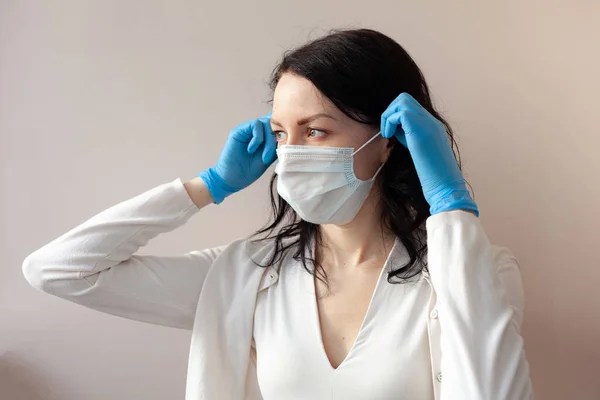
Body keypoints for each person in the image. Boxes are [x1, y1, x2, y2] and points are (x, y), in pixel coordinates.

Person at [22, 28, 533, 399]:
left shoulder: (472, 275)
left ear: (388, 143)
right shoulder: (246, 275)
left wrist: (450, 204)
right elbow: (58, 271)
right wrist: (208, 186)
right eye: (282, 133)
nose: (289, 153)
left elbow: (494, 390)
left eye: (315, 130)